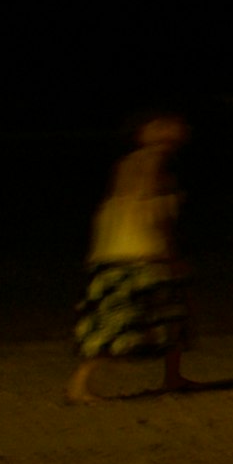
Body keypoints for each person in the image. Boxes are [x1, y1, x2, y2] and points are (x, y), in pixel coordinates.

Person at [69, 114, 195, 403]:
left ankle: (173, 377)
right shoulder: (148, 163)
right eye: (163, 127)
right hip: (135, 255)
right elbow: (146, 209)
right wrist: (166, 251)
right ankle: (79, 384)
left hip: (126, 251)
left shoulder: (139, 162)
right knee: (119, 322)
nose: (174, 132)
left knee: (171, 316)